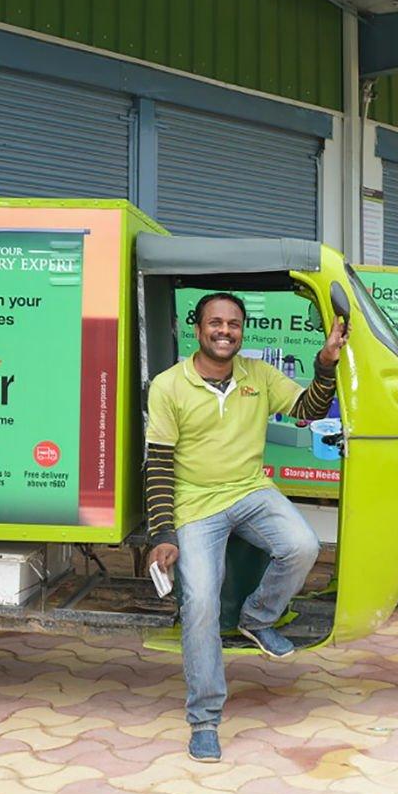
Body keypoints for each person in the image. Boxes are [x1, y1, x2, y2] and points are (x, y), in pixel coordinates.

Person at [145, 292, 347, 763]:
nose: (224, 331)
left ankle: (257, 618)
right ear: (197, 329)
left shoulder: (257, 376)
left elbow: (307, 410)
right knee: (199, 603)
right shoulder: (169, 386)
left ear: (241, 332)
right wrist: (162, 534)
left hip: (250, 490)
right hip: (195, 504)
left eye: (233, 324)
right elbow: (157, 464)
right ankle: (205, 718)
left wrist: (324, 363)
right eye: (215, 323)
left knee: (302, 546)